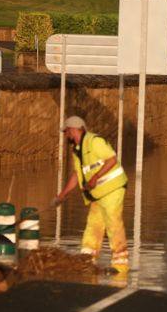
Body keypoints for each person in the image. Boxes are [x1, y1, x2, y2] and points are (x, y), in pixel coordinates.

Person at [54, 116, 129, 273]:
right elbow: (78, 175)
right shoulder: (77, 151)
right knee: (93, 226)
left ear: (74, 129)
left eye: (66, 132)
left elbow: (112, 159)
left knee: (113, 223)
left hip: (113, 189)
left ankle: (120, 266)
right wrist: (63, 194)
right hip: (98, 194)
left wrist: (95, 177)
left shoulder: (94, 141)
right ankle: (87, 261)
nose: (66, 135)